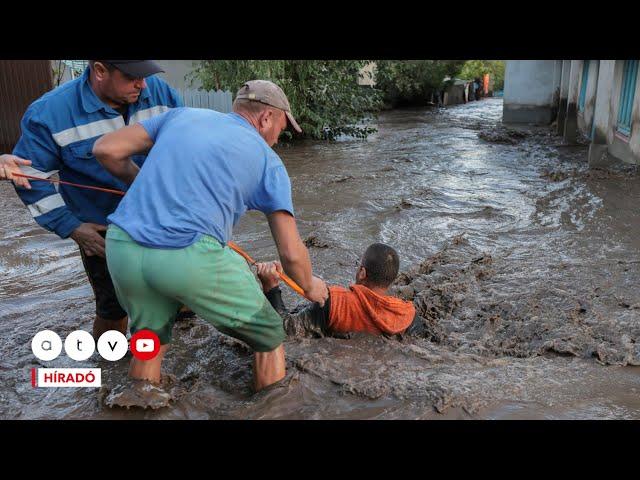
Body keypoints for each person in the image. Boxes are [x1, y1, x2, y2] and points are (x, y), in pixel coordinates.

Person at [93, 80, 329, 391]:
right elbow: (290, 252)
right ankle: (274, 411)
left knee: (148, 340)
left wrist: (140, 183)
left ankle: (138, 404)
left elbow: (106, 149)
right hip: (186, 254)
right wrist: (310, 286)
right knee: (270, 334)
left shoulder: (181, 116)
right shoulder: (269, 161)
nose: (277, 138)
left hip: (122, 245)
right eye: (281, 129)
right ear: (266, 118)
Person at [9, 60, 183, 340]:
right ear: (100, 71)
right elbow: (30, 178)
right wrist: (72, 228)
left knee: (181, 294)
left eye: (146, 76)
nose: (144, 85)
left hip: (165, 221)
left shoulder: (162, 94)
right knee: (113, 310)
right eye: (132, 77)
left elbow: (185, 150)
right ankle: (106, 376)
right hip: (103, 234)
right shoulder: (49, 113)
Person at [256, 243, 420, 338]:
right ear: (391, 279)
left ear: (362, 273)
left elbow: (285, 331)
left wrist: (271, 287)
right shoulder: (407, 315)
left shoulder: (335, 303)